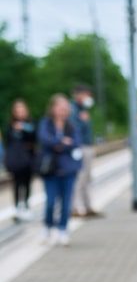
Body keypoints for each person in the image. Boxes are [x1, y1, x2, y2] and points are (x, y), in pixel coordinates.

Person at [37, 94, 83, 246]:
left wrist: (58, 144)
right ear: (53, 108)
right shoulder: (46, 124)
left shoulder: (71, 125)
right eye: (60, 107)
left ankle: (63, 229)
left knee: (66, 203)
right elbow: (44, 139)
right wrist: (62, 141)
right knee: (50, 202)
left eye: (65, 107)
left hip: (68, 169)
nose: (63, 110)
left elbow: (76, 143)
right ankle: (48, 226)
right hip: (50, 170)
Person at [70, 85, 101, 218]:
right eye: (86, 95)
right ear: (78, 95)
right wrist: (83, 121)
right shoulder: (73, 110)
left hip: (87, 145)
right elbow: (74, 129)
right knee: (79, 178)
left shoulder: (83, 109)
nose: (88, 98)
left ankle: (88, 206)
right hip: (80, 147)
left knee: (87, 178)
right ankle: (75, 208)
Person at [4, 99, 37, 222]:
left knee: (27, 183)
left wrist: (23, 129)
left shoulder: (30, 124)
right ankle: (18, 207)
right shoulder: (10, 126)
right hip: (16, 160)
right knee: (17, 184)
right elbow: (9, 143)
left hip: (28, 159)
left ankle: (27, 206)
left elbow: (34, 138)